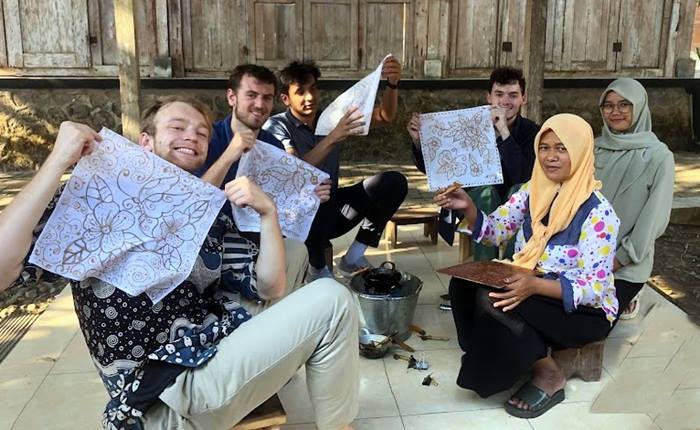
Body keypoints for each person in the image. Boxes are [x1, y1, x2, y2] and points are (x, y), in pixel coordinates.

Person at [0, 96, 359, 430]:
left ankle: (275, 366)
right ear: (145, 141)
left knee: (292, 249)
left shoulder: (206, 211)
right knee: (332, 300)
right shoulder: (100, 201)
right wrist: (57, 161)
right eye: (177, 127)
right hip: (162, 393)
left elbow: (270, 287)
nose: (192, 136)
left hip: (207, 342)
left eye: (202, 133)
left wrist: (269, 214)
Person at [436, 114, 620, 418]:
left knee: (493, 299)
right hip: (534, 283)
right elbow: (495, 230)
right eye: (544, 147)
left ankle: (549, 374)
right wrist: (468, 206)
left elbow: (594, 288)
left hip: (584, 310)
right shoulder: (532, 191)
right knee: (464, 284)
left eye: (562, 148)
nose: (550, 156)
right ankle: (486, 352)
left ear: (580, 151)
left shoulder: (599, 213)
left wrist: (534, 286)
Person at [263, 59, 408, 280]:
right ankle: (318, 270)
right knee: (316, 196)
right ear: (285, 99)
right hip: (297, 221)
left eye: (313, 89)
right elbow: (296, 171)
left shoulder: (330, 118)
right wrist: (333, 136)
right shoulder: (276, 126)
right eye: (300, 92)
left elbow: (385, 116)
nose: (309, 97)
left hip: (334, 211)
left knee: (393, 182)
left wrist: (392, 84)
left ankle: (353, 258)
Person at [198, 64, 329, 303]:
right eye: (251, 95)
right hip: (214, 245)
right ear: (231, 97)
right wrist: (230, 154)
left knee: (298, 249)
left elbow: (282, 204)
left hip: (258, 241)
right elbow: (193, 200)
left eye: (267, 98)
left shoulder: (272, 145)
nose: (259, 104)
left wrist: (309, 196)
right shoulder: (208, 138)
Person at [407, 67, 540, 260]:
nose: (505, 101)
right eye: (499, 94)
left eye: (513, 95)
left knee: (521, 192)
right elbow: (438, 170)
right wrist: (420, 142)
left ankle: (512, 266)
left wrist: (504, 131)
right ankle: (484, 269)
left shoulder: (531, 132)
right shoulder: (467, 124)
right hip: (470, 200)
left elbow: (523, 175)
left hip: (511, 200)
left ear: (523, 98)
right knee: (487, 193)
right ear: (489, 97)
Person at [594, 78, 675, 320]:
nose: (615, 111)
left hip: (625, 266)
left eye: (624, 104)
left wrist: (618, 260)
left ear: (639, 107)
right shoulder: (594, 148)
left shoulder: (658, 156)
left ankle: (633, 292)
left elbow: (654, 219)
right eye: (608, 105)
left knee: (588, 320)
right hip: (583, 256)